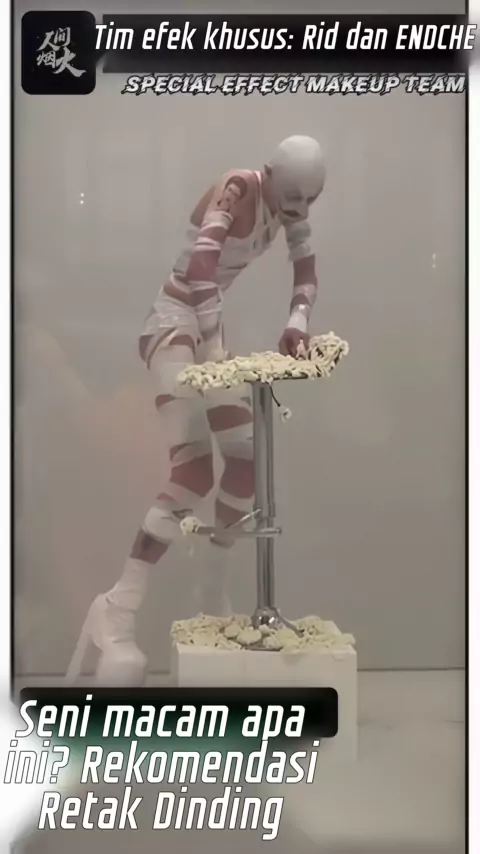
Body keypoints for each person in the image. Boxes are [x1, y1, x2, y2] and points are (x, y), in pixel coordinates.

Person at [66, 135, 327, 685]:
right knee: (192, 472)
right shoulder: (239, 187)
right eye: (292, 200)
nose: (295, 213)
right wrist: (212, 347)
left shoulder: (290, 207)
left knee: (244, 460)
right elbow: (201, 268)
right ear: (271, 175)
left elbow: (306, 270)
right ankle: (118, 607)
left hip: (207, 324)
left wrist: (297, 323)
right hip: (174, 323)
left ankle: (211, 588)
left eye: (306, 203)